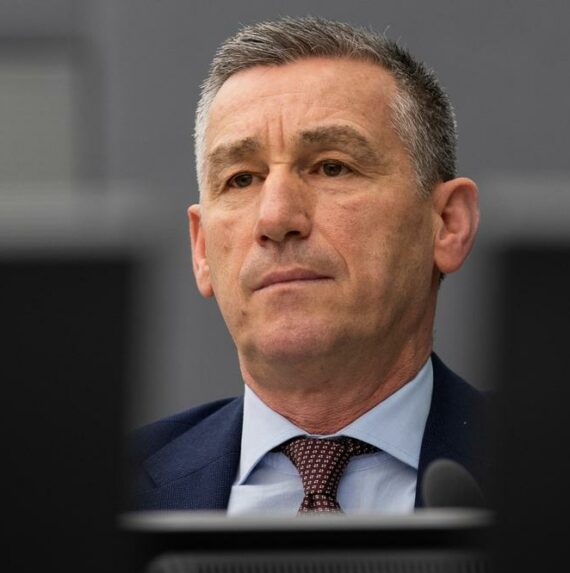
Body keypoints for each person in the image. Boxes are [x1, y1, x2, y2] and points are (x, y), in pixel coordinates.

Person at [128, 16, 489, 514]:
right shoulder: (95, 497)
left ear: (447, 223)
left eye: (331, 167)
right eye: (241, 179)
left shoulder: (546, 471)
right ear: (202, 248)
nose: (276, 218)